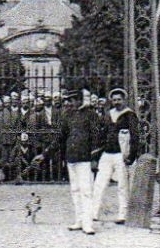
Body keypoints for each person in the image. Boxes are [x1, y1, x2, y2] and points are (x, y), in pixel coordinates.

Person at [59, 84, 106, 234]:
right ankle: (79, 220)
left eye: (72, 100)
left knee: (86, 191)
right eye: (68, 100)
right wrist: (45, 154)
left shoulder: (90, 114)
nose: (69, 103)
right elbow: (61, 137)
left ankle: (88, 223)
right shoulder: (67, 115)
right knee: (75, 190)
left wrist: (94, 158)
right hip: (71, 158)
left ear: (79, 100)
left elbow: (97, 138)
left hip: (85, 159)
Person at [90, 87, 139, 226]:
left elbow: (135, 136)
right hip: (107, 153)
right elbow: (101, 134)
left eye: (119, 99)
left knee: (122, 185)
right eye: (114, 99)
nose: (117, 102)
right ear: (111, 100)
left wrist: (131, 155)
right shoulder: (108, 114)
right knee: (99, 183)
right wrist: (97, 152)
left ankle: (123, 214)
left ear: (124, 100)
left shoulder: (129, 115)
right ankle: (93, 212)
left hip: (121, 154)